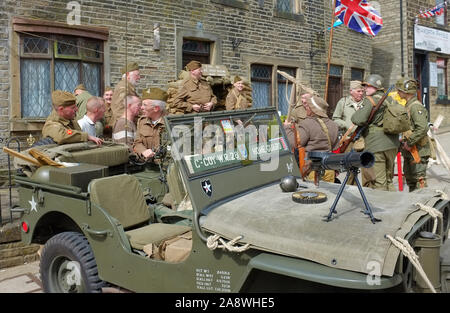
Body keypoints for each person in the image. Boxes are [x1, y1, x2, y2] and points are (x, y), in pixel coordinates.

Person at [351, 74, 399, 191]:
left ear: (377, 87)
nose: (365, 89)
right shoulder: (391, 100)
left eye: (368, 86)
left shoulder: (370, 100)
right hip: (392, 144)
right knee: (388, 179)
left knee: (379, 182)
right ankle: (394, 205)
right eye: (364, 86)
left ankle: (382, 207)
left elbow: (357, 119)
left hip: (376, 144)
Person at [286, 95, 339, 183]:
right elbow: (335, 147)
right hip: (329, 169)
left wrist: (287, 128)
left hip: (312, 169)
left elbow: (294, 143)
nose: (306, 108)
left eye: (308, 106)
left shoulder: (307, 123)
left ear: (312, 109)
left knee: (313, 194)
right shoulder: (334, 125)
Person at [396, 77, 431, 192]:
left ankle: (424, 205)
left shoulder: (415, 106)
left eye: (399, 90)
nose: (397, 92)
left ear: (405, 92)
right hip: (410, 150)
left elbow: (422, 128)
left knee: (419, 181)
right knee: (411, 180)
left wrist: (410, 142)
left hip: (417, 150)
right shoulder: (408, 105)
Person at [133, 88, 168, 161]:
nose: (141, 108)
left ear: (156, 108)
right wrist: (143, 151)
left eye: (145, 105)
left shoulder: (170, 123)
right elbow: (137, 143)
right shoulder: (142, 121)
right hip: (148, 166)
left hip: (166, 167)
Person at [111, 62, 140, 127]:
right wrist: (128, 125)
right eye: (137, 75)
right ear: (127, 75)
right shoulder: (124, 88)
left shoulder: (128, 87)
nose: (139, 77)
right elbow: (120, 110)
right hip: (124, 127)